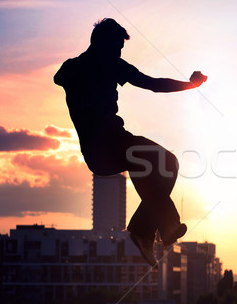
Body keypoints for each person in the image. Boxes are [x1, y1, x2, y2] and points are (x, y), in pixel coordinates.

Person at [54, 18, 207, 267]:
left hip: (100, 152)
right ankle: (148, 229)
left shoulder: (74, 67)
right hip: (108, 144)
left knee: (148, 167)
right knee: (167, 162)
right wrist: (192, 85)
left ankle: (155, 231)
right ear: (102, 44)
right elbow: (153, 85)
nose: (118, 54)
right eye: (116, 48)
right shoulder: (104, 64)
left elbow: (58, 77)